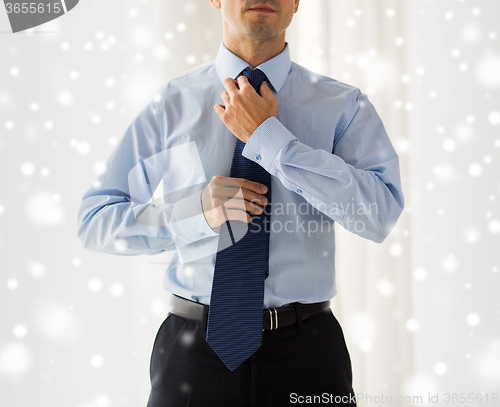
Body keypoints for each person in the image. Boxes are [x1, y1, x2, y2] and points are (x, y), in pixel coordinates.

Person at [77, 0, 405, 405]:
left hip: (309, 354)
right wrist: (195, 212)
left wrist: (271, 139)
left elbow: (379, 215)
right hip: (193, 354)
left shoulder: (344, 107)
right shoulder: (171, 104)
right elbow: (96, 220)